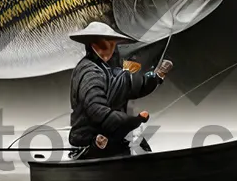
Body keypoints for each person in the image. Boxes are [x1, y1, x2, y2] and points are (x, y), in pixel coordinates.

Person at [67, 21, 173, 160]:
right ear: (93, 44)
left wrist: (157, 76)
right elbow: (96, 109)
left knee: (138, 145)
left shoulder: (114, 71)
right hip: (88, 136)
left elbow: (134, 85)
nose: (111, 47)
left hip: (114, 132)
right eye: (106, 42)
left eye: (113, 43)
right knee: (103, 144)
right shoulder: (88, 72)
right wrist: (132, 121)